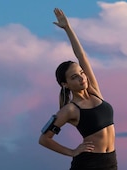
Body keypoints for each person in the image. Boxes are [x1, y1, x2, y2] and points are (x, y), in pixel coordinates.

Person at [39, 8, 117, 170]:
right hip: (89, 163)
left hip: (110, 162)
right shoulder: (70, 110)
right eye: (74, 77)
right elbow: (44, 139)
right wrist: (72, 151)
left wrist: (68, 28)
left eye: (81, 73)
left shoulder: (94, 90)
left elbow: (82, 56)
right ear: (65, 84)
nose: (82, 78)